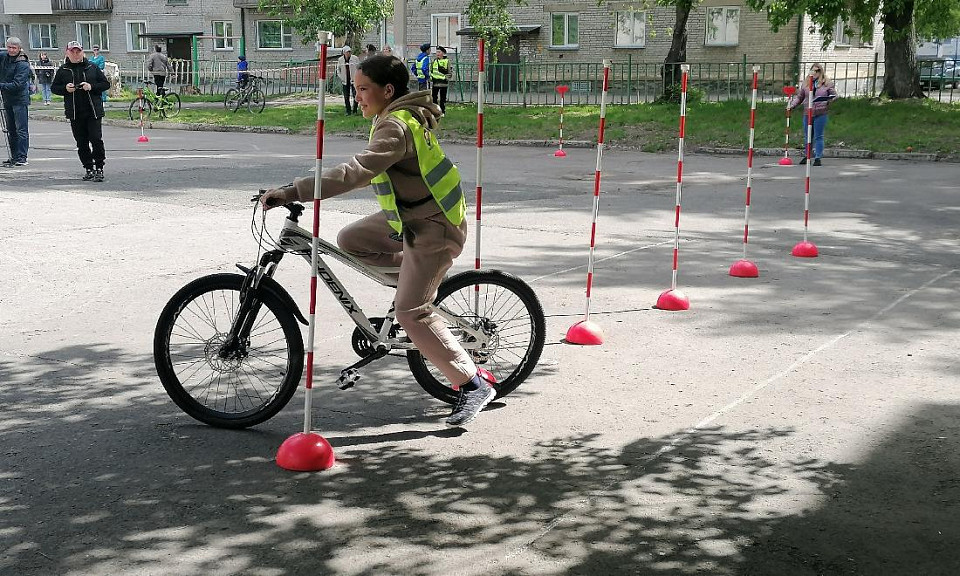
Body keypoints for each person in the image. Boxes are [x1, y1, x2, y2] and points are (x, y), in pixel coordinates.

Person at [259, 55, 495, 427]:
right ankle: (415, 280)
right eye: (355, 89)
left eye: (363, 89)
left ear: (388, 90)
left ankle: (473, 384)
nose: (358, 96)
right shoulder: (395, 118)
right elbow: (373, 174)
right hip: (410, 219)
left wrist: (294, 191)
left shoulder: (396, 127)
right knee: (350, 238)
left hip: (436, 227)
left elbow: (356, 172)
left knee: (410, 311)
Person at [50, 40, 110, 182]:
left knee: (96, 139)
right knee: (81, 142)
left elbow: (105, 84)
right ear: (67, 53)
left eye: (78, 51)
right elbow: (54, 88)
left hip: (93, 110)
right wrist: (65, 89)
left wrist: (91, 86)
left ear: (83, 52)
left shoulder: (92, 67)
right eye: (73, 52)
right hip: (75, 112)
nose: (76, 54)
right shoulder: (63, 70)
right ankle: (88, 168)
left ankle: (99, 167)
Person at [788, 63, 837, 166]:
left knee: (819, 136)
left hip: (821, 112)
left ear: (821, 72)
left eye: (817, 71)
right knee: (808, 136)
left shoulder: (827, 83)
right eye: (813, 70)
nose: (815, 73)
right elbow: (799, 97)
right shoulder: (806, 83)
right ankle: (807, 156)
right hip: (807, 113)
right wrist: (792, 106)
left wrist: (830, 99)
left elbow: (834, 95)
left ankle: (818, 157)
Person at [0, 36, 31, 167]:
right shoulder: (4, 57)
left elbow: (17, 84)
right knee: (10, 129)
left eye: (14, 48)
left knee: (21, 129)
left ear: (19, 48)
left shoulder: (23, 63)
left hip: (19, 99)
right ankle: (14, 156)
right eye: (9, 47)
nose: (11, 50)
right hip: (7, 99)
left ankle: (22, 157)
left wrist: (1, 85)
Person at [337, 46, 360, 115]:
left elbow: (359, 68)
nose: (349, 53)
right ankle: (348, 110)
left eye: (350, 52)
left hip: (354, 80)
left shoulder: (355, 58)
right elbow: (338, 69)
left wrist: (357, 76)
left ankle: (355, 110)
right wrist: (341, 77)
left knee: (355, 95)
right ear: (344, 52)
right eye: (347, 52)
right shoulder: (340, 60)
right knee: (346, 96)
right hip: (345, 80)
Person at [429, 46, 452, 115]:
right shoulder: (434, 61)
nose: (437, 54)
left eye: (439, 52)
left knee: (443, 99)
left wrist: (446, 78)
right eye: (436, 52)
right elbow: (431, 70)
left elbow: (449, 72)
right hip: (435, 83)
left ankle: (442, 112)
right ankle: (435, 111)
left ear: (443, 53)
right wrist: (431, 78)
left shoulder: (447, 61)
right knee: (434, 98)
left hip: (443, 83)